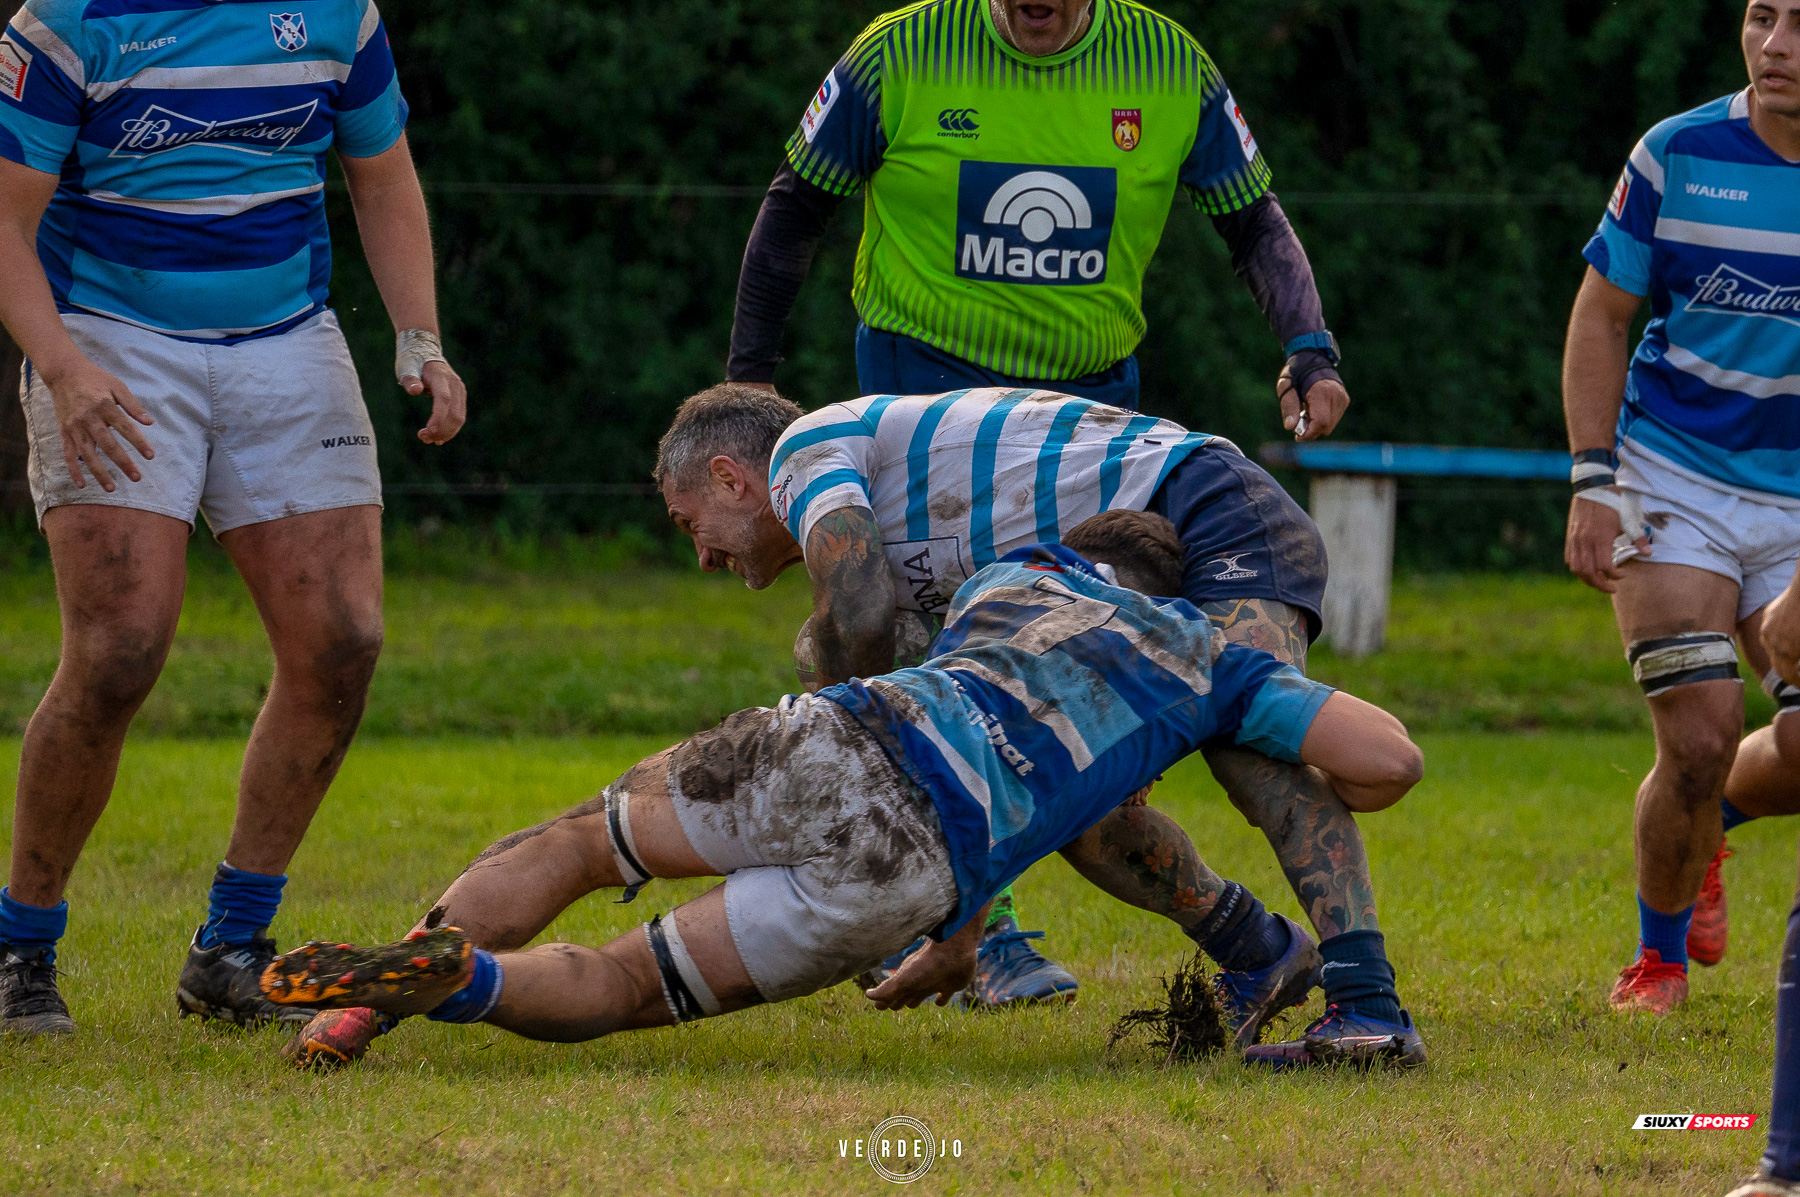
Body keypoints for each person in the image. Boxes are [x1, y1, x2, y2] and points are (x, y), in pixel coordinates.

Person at [264, 515, 1426, 1073]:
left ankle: (375, 998)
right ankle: (467, 984)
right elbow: (1390, 759)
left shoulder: (1016, 574)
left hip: (842, 738)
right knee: (625, 987)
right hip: (913, 871)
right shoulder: (1208, 659)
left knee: (578, 845)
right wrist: (1277, 734)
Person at [651, 384, 1422, 1060]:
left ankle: (1369, 1008)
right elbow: (978, 736)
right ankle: (1258, 951)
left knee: (1253, 757)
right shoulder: (929, 555)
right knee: (1079, 804)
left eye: (691, 523)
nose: (703, 558)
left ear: (730, 477)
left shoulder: (805, 448)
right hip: (1110, 594)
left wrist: (855, 799)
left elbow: (860, 617)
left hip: (1203, 506)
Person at [0, 0, 467, 1036]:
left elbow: (382, 175)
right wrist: (63, 369)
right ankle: (20, 946)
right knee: (119, 649)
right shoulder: (68, 23)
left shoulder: (339, 13)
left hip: (287, 340)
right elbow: (3, 219)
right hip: (110, 337)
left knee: (342, 641)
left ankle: (230, 947)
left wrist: (420, 337)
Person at [727, 0, 1351, 431]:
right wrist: (750, 378)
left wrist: (1310, 351)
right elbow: (795, 207)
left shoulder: (1172, 67)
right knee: (934, 589)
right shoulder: (898, 52)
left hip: (1093, 397)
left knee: (1086, 588)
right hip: (920, 386)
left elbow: (1252, 221)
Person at [1562, 0, 1800, 1016]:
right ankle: (1657, 962)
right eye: (1761, 17)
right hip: (1675, 479)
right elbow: (1602, 315)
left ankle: (1715, 826)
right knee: (1698, 737)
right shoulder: (1676, 154)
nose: (1775, 46)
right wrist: (1592, 479)